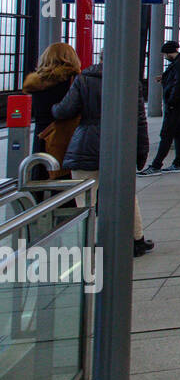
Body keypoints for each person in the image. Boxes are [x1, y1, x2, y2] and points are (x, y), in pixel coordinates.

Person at [52, 58, 154, 257]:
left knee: (83, 197)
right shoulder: (130, 83)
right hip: (120, 146)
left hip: (86, 144)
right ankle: (137, 240)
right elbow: (140, 121)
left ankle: (85, 242)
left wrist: (52, 109)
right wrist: (141, 152)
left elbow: (65, 110)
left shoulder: (83, 79)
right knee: (127, 195)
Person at [140, 40, 180, 174]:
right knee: (178, 133)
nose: (164, 57)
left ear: (169, 52)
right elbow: (179, 80)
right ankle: (178, 162)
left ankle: (156, 165)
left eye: (165, 54)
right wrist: (165, 78)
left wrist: (171, 100)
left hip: (176, 104)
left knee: (166, 133)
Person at [22, 42, 82, 170]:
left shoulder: (36, 83)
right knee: (62, 176)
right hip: (66, 135)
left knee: (41, 171)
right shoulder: (74, 81)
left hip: (42, 134)